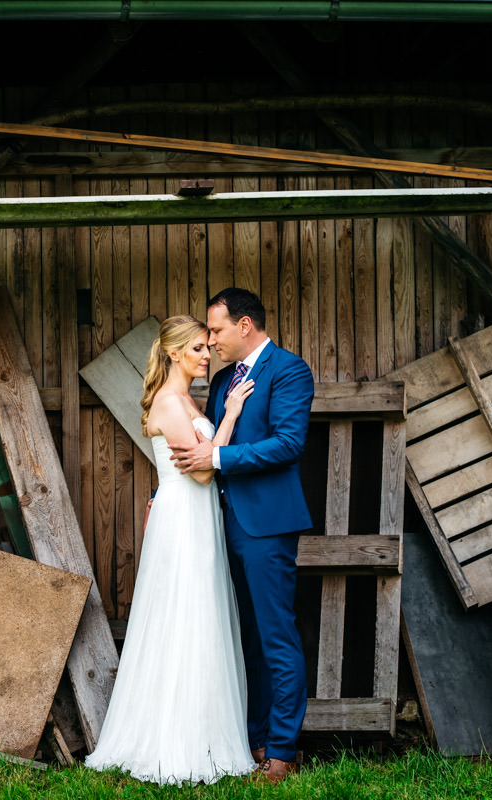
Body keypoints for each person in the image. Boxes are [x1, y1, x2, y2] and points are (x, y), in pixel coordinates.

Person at [85, 314, 257, 786]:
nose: (208, 355)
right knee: (184, 617)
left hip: (197, 516)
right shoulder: (169, 402)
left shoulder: (186, 399)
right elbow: (202, 473)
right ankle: (173, 742)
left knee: (202, 618)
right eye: (199, 348)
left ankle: (206, 734)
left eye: (208, 346)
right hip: (183, 519)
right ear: (174, 352)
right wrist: (231, 418)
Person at [169, 288, 314, 785]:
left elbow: (288, 443)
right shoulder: (227, 378)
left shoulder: (289, 371)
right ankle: (253, 740)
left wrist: (220, 460)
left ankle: (283, 750)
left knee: (276, 636)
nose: (210, 342)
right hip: (221, 523)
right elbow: (207, 443)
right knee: (244, 637)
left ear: (245, 325)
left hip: (268, 525)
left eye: (216, 331)